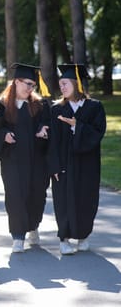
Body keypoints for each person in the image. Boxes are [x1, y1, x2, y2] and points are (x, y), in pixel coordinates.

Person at [0, 63, 51, 253]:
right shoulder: (3, 105)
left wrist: (44, 131)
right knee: (15, 197)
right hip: (13, 161)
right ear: (16, 82)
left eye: (33, 85)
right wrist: (3, 135)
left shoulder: (40, 106)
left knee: (37, 196)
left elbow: (47, 125)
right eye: (27, 84)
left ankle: (33, 226)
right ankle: (18, 236)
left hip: (37, 161)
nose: (30, 88)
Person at [48, 64, 106, 255]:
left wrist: (76, 125)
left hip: (87, 165)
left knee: (85, 199)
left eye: (65, 83)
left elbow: (98, 134)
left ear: (76, 84)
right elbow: (53, 141)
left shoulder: (94, 108)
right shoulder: (56, 109)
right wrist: (54, 165)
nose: (62, 87)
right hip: (63, 164)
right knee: (63, 199)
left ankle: (83, 236)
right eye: (60, 84)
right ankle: (64, 239)